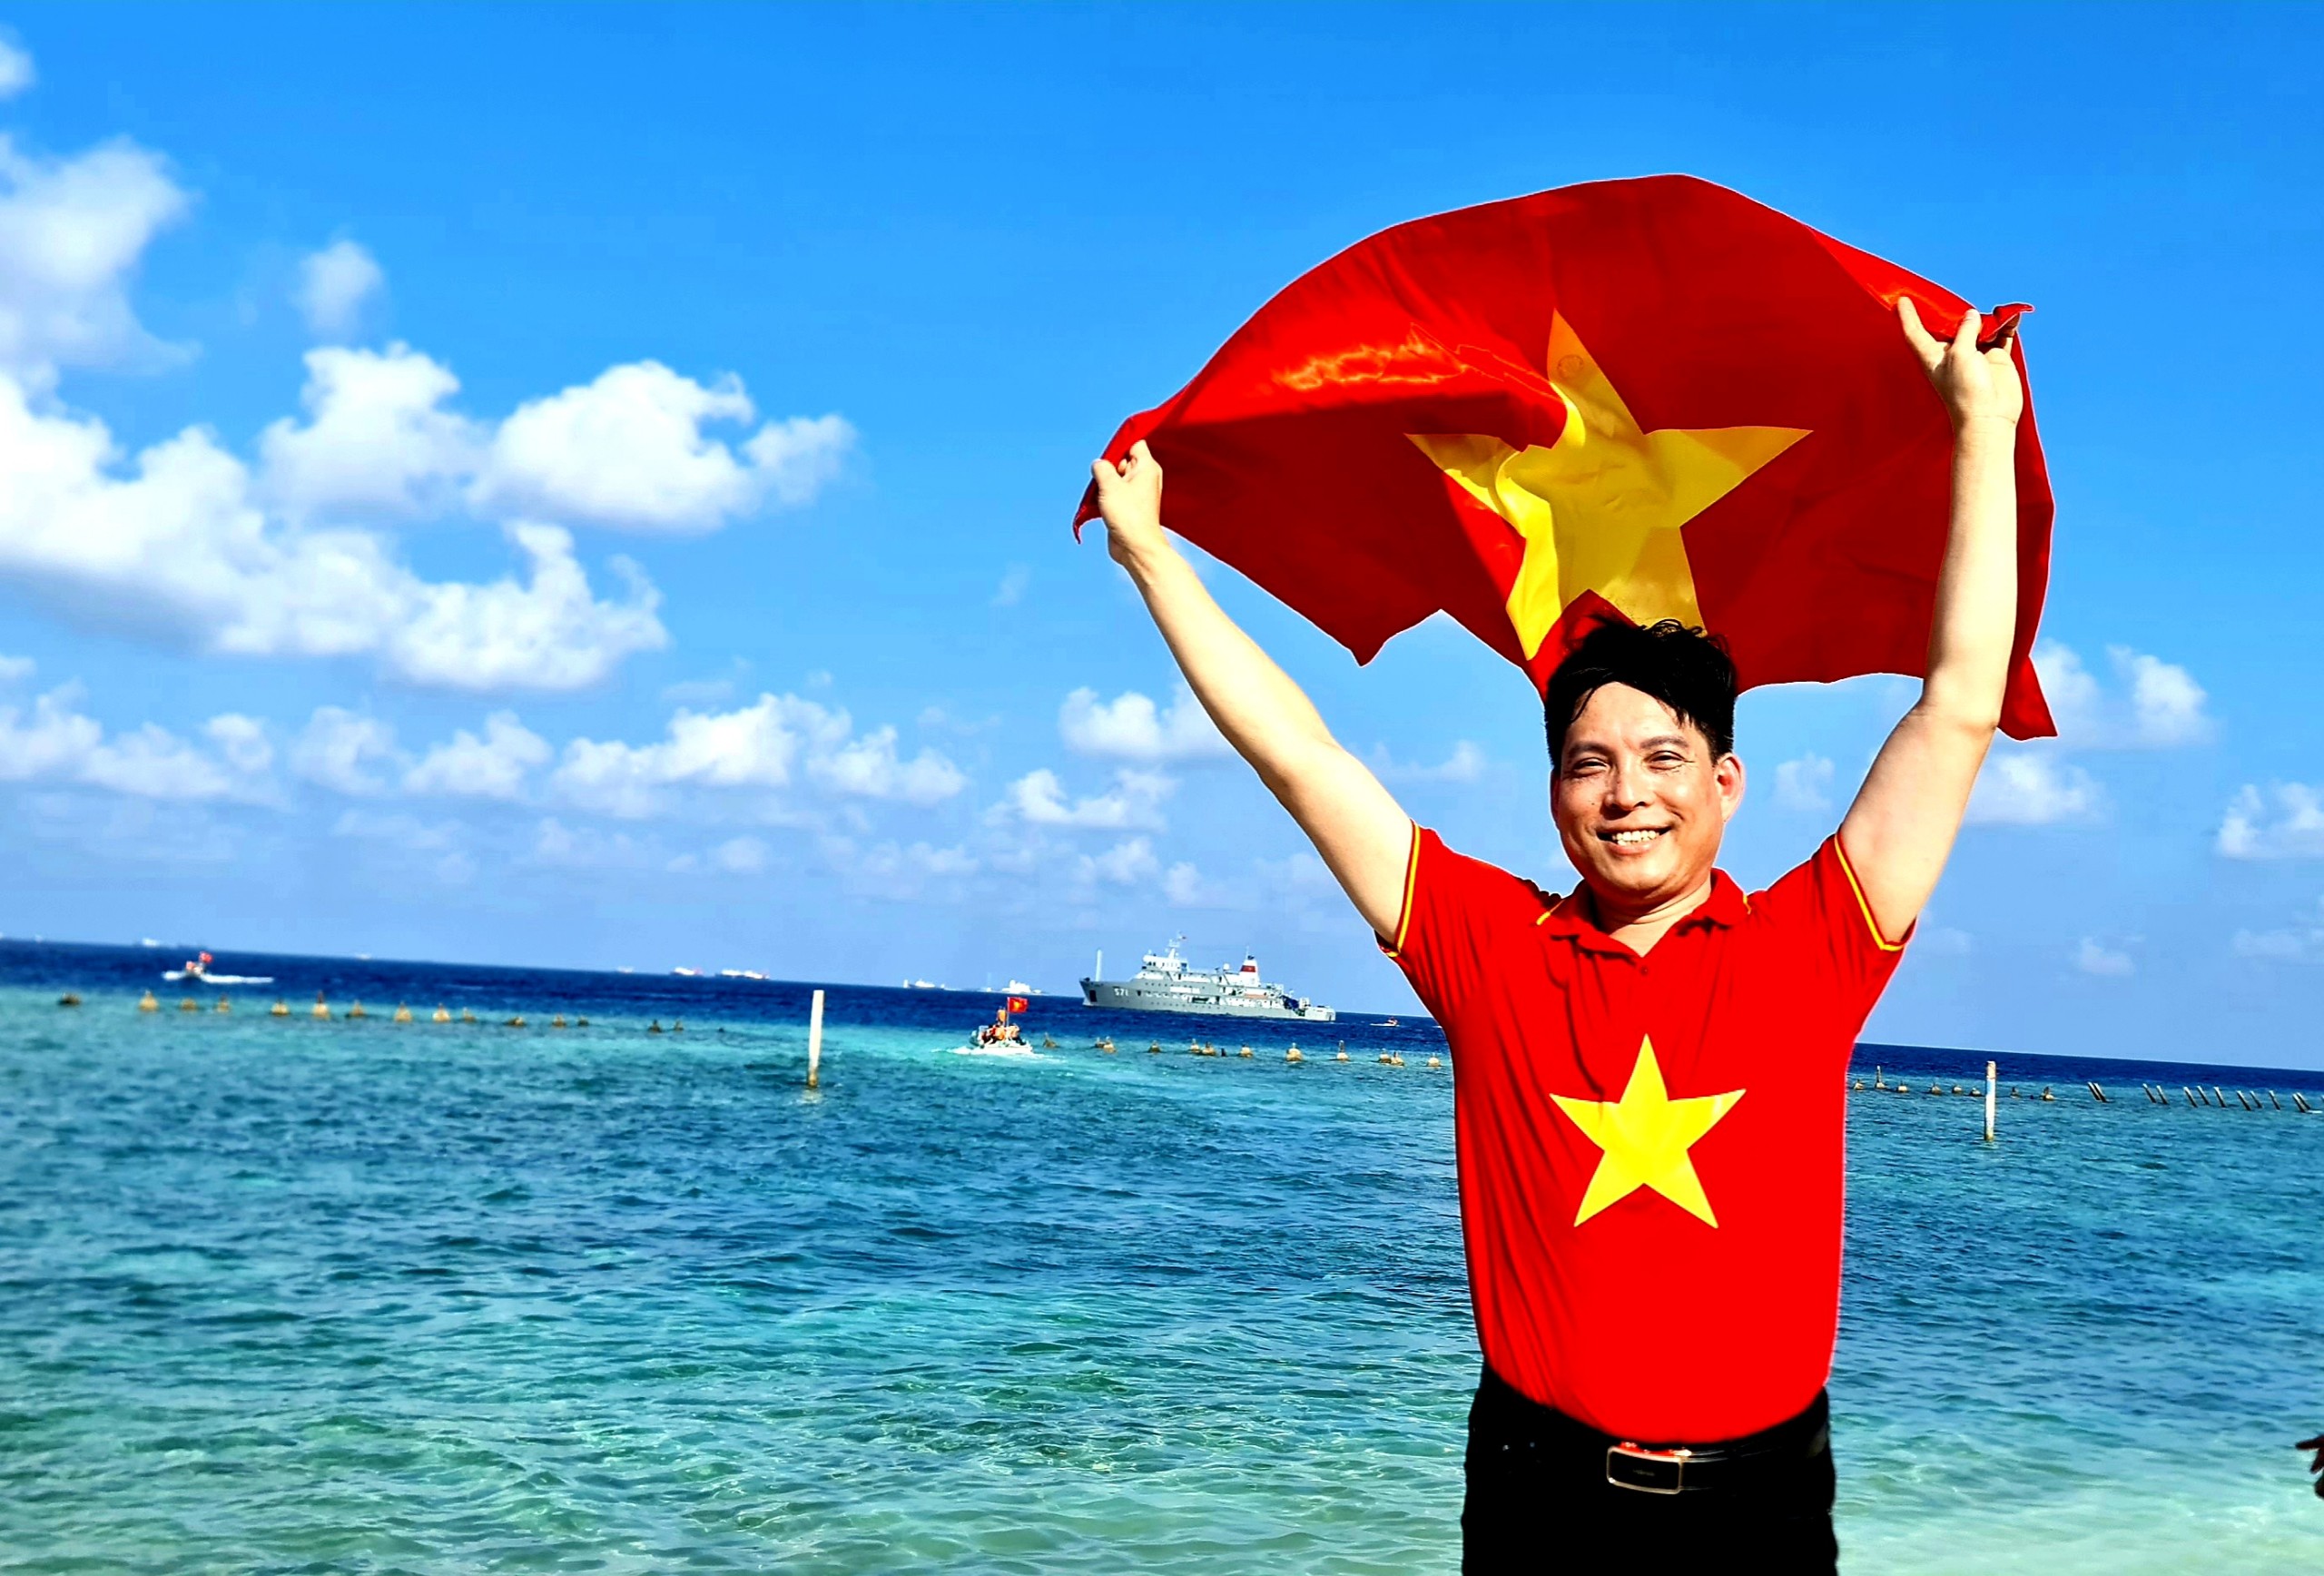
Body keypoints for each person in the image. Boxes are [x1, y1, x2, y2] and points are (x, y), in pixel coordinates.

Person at [1086, 299, 2023, 1569]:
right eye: (1591, 764)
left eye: (1662, 759)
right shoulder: (1488, 943)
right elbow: (1302, 759)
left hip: (1761, 1507)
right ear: (1554, 797)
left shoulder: (1816, 939)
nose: (1627, 794)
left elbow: (1958, 704)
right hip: (1540, 1495)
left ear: (1726, 784)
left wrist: (1980, 431)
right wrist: (1152, 557)